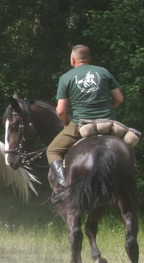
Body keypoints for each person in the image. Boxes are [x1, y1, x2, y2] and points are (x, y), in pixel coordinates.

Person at [46, 44, 124, 198]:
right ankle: (132, 170)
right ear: (89, 59)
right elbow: (119, 99)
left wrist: (66, 123)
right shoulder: (103, 72)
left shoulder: (66, 77)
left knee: (52, 150)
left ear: (72, 59)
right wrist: (108, 107)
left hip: (81, 124)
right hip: (107, 122)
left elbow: (60, 110)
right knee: (126, 144)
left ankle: (63, 187)